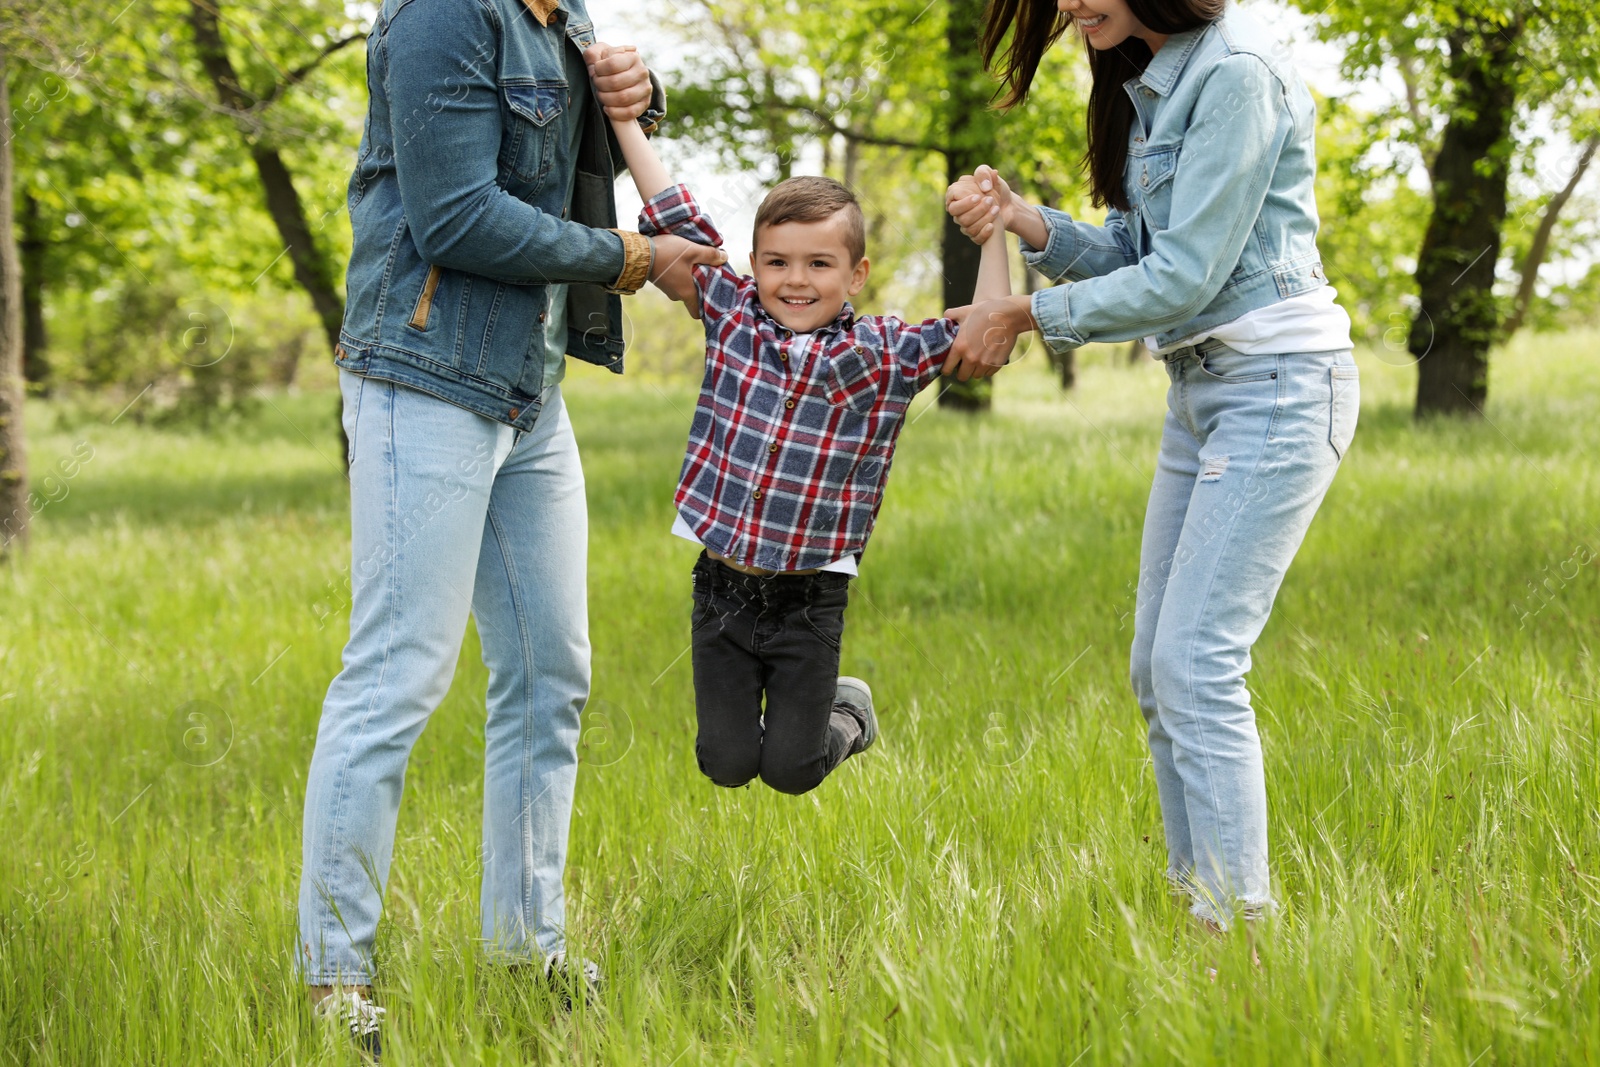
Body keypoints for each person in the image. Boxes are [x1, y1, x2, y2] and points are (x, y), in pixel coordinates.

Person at [296, 0, 725, 1053]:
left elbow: (567, 142)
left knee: (550, 672)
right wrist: (632, 258)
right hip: (426, 376)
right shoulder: (447, 15)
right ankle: (332, 979)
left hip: (529, 389)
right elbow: (455, 218)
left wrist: (638, 97)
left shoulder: (562, 15)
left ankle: (524, 953)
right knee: (396, 674)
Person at [944, 0, 1358, 934]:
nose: (1071, 5)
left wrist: (1023, 318)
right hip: (1204, 391)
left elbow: (1187, 280)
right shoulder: (1157, 77)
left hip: (1279, 387)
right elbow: (1141, 251)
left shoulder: (1236, 74)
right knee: (1156, 666)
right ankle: (1198, 905)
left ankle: (1237, 933)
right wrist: (1026, 220)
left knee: (1196, 663)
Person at [600, 82, 1012, 796]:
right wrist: (623, 120)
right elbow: (673, 213)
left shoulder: (884, 353)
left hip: (811, 595)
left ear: (855, 274)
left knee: (791, 770)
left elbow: (988, 331)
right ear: (755, 264)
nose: (795, 280)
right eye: (777, 262)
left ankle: (848, 713)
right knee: (725, 763)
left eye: (819, 265)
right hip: (722, 586)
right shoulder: (731, 315)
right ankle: (754, 733)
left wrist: (996, 233)